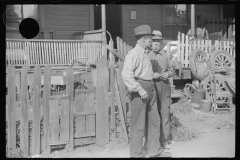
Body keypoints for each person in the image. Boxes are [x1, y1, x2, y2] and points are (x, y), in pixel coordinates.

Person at [121, 25, 171, 158]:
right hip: (140, 91)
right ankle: (136, 154)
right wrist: (139, 89)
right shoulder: (133, 54)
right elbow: (126, 75)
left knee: (154, 121)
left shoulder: (144, 53)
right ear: (143, 39)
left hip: (151, 89)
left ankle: (154, 151)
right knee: (138, 124)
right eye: (150, 39)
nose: (152, 41)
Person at [148, 30, 175, 150]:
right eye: (154, 41)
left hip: (164, 86)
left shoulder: (166, 56)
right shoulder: (146, 55)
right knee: (153, 113)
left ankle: (164, 140)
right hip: (151, 85)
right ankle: (152, 140)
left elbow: (171, 70)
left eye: (158, 42)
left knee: (164, 112)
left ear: (161, 43)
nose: (156, 44)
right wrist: (151, 75)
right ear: (151, 42)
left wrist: (167, 75)